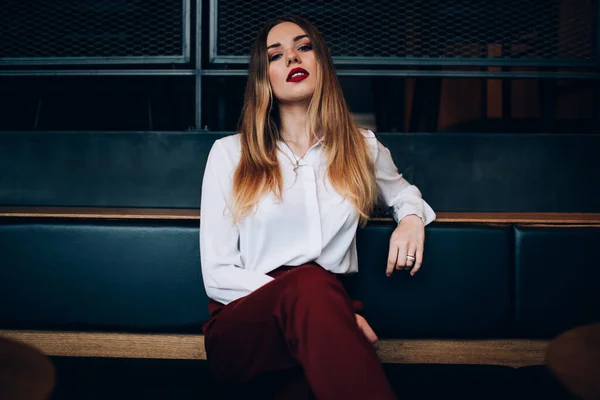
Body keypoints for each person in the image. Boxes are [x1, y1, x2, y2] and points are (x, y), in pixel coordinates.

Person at [199, 14, 436, 400]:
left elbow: (403, 193)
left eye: (303, 47)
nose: (292, 58)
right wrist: (324, 312)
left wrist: (411, 219)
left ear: (321, 61)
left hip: (324, 314)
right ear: (263, 77)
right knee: (309, 285)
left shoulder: (362, 146)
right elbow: (218, 274)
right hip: (246, 323)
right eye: (276, 55)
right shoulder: (230, 153)